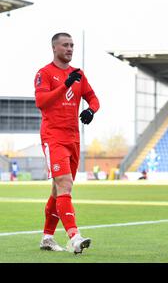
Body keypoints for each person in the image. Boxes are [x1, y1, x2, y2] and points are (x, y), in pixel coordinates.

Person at [34, 32, 100, 253]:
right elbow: (41, 102)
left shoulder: (78, 74)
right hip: (53, 137)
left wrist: (91, 109)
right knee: (65, 184)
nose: (70, 49)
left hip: (73, 139)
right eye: (65, 45)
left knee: (57, 190)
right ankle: (74, 237)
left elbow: (93, 97)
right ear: (54, 48)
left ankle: (47, 238)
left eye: (72, 45)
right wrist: (64, 86)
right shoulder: (44, 73)